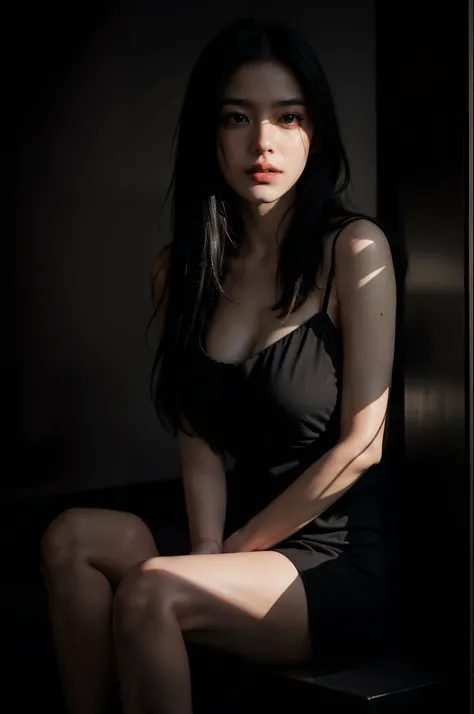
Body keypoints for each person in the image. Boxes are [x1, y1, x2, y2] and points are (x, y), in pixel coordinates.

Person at [40, 16, 402, 714]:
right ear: (211, 134)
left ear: (314, 131)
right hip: (233, 543)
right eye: (239, 118)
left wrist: (233, 549)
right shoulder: (181, 270)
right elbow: (195, 427)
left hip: (329, 560)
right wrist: (208, 545)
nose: (262, 142)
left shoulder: (354, 252)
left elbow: (364, 445)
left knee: (154, 592)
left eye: (287, 117)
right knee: (71, 539)